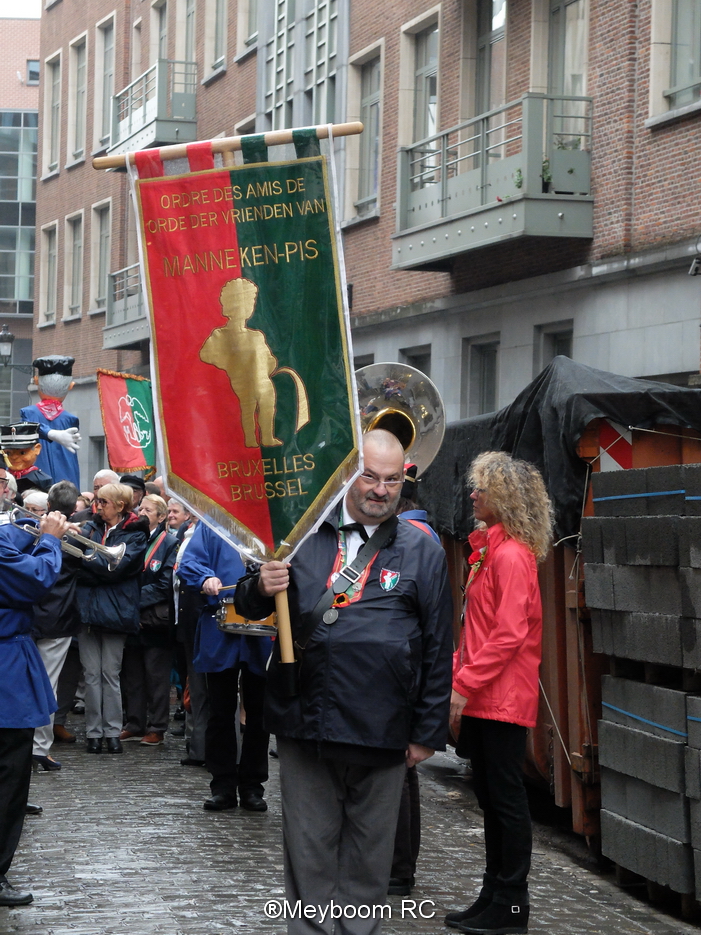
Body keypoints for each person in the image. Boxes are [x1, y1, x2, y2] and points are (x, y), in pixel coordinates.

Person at [235, 429, 453, 935]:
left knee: (367, 865)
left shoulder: (424, 552)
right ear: (349, 476)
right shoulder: (299, 535)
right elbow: (248, 603)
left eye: (392, 480)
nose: (381, 490)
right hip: (305, 722)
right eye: (370, 477)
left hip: (383, 729)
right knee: (308, 857)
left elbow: (438, 647)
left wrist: (427, 732)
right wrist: (260, 586)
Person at [445, 451, 554, 935]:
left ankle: (510, 904)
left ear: (504, 497)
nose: (473, 495)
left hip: (502, 699)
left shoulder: (510, 557)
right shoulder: (493, 552)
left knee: (504, 800)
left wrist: (462, 684)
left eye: (482, 488)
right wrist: (459, 678)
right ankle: (494, 895)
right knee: (492, 797)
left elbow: (509, 635)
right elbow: (478, 631)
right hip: (488, 695)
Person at [0, 506, 69, 906]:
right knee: (9, 776)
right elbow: (36, 579)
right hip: (5, 666)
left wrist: (32, 530)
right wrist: (50, 540)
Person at [177, 521, 272, 810]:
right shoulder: (212, 524)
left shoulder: (270, 521)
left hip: (264, 625)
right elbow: (189, 562)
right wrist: (205, 577)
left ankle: (253, 786)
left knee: (259, 713)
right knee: (219, 711)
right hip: (219, 624)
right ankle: (222, 785)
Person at [76, 482, 149, 754]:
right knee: (91, 675)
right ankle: (94, 733)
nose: (98, 507)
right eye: (97, 501)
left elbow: (117, 569)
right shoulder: (90, 527)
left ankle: (112, 732)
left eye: (103, 502)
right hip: (88, 611)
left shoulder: (136, 534)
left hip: (116, 611)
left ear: (120, 506)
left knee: (110, 674)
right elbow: (75, 566)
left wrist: (88, 561)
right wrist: (94, 565)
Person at [30, 481, 81, 771]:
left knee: (31, 683)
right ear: (74, 508)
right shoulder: (75, 535)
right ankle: (39, 748)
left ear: (49, 505)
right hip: (58, 617)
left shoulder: (34, 531)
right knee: (48, 685)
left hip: (33, 616)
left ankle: (29, 746)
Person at [120, 495, 178, 746]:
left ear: (161, 516)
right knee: (132, 675)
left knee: (156, 677)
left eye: (148, 510)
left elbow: (165, 584)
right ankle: (134, 723)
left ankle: (157, 727)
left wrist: (132, 599)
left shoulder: (170, 543)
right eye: (140, 508)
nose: (141, 512)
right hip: (131, 619)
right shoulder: (133, 538)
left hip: (155, 620)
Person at [20, 355, 81, 488]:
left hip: (35, 482)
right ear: (71, 386)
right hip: (65, 483)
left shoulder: (29, 414)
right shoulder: (70, 419)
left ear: (36, 381)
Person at [1, 422, 53, 495]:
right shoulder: (3, 477)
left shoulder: (42, 479)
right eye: (8, 453)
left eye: (22, 453)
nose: (14, 457)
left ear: (37, 449)